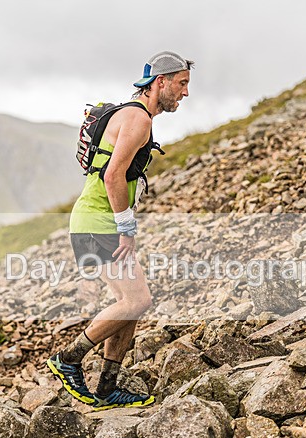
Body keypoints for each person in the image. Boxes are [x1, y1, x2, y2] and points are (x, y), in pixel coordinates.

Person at [47, 52, 193, 411]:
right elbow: (112, 176)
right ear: (161, 82)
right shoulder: (138, 119)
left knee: (131, 302)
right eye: (182, 84)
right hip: (100, 223)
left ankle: (107, 387)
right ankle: (69, 358)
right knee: (137, 300)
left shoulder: (132, 114)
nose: (185, 93)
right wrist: (126, 228)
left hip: (96, 221)